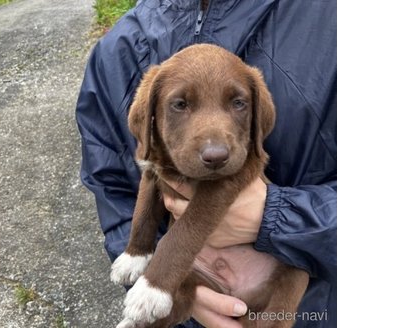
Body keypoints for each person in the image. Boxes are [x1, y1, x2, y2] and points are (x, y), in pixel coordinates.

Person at [75, 0, 336, 327]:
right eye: (180, 104)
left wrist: (280, 218)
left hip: (302, 301)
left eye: (238, 103)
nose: (213, 148)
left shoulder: (332, 18)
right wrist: (150, 267)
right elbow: (111, 185)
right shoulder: (119, 49)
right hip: (186, 288)